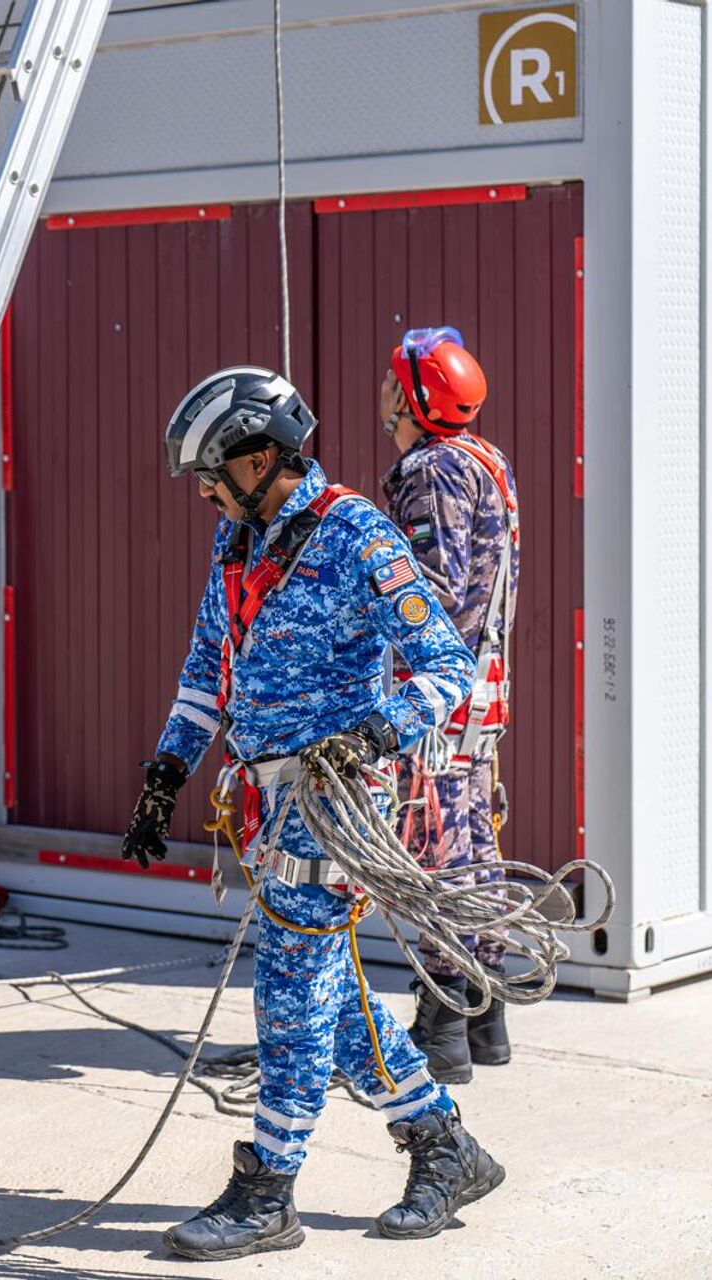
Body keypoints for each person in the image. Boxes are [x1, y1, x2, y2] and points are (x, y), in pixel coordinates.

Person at [122, 366, 502, 1260]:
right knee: (328, 1007)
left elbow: (447, 667)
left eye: (213, 472)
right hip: (265, 800)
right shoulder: (238, 546)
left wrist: (375, 735)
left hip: (336, 802)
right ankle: (447, 1146)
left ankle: (268, 1189)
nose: (205, 491)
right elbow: (204, 670)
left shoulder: (356, 537)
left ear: (262, 458)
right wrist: (165, 773)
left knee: (289, 988)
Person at [379, 327, 519, 1084]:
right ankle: (483, 1011)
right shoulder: (483, 459)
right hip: (481, 683)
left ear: (412, 396)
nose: (382, 391)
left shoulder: (431, 470)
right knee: (472, 839)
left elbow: (432, 592)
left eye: (391, 379)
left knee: (436, 846)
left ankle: (442, 1020)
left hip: (440, 692)